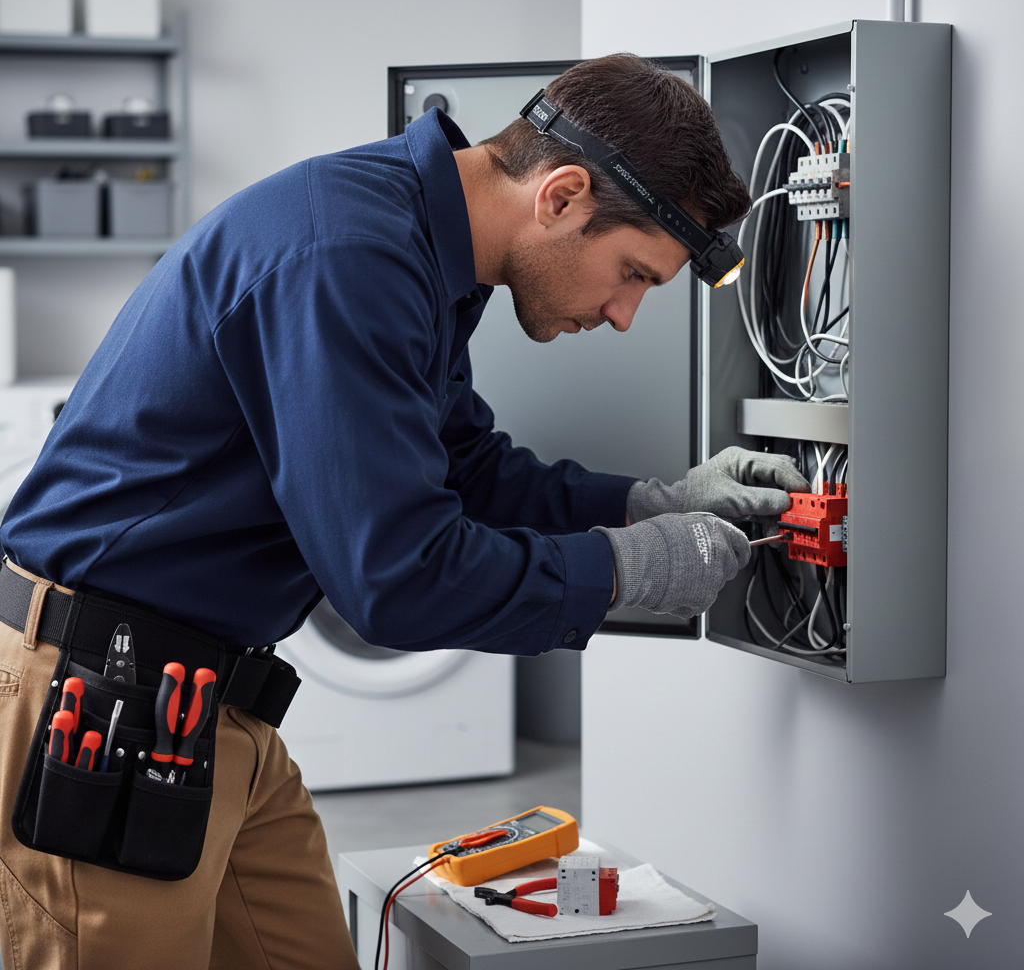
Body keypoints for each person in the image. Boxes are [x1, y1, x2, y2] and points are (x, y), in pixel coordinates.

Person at [0, 53, 808, 969]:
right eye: (634, 275)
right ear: (563, 195)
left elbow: (462, 468)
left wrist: (647, 503)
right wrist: (636, 568)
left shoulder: (421, 252)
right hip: (102, 705)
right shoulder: (347, 255)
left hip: (216, 716)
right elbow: (399, 578)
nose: (623, 315)